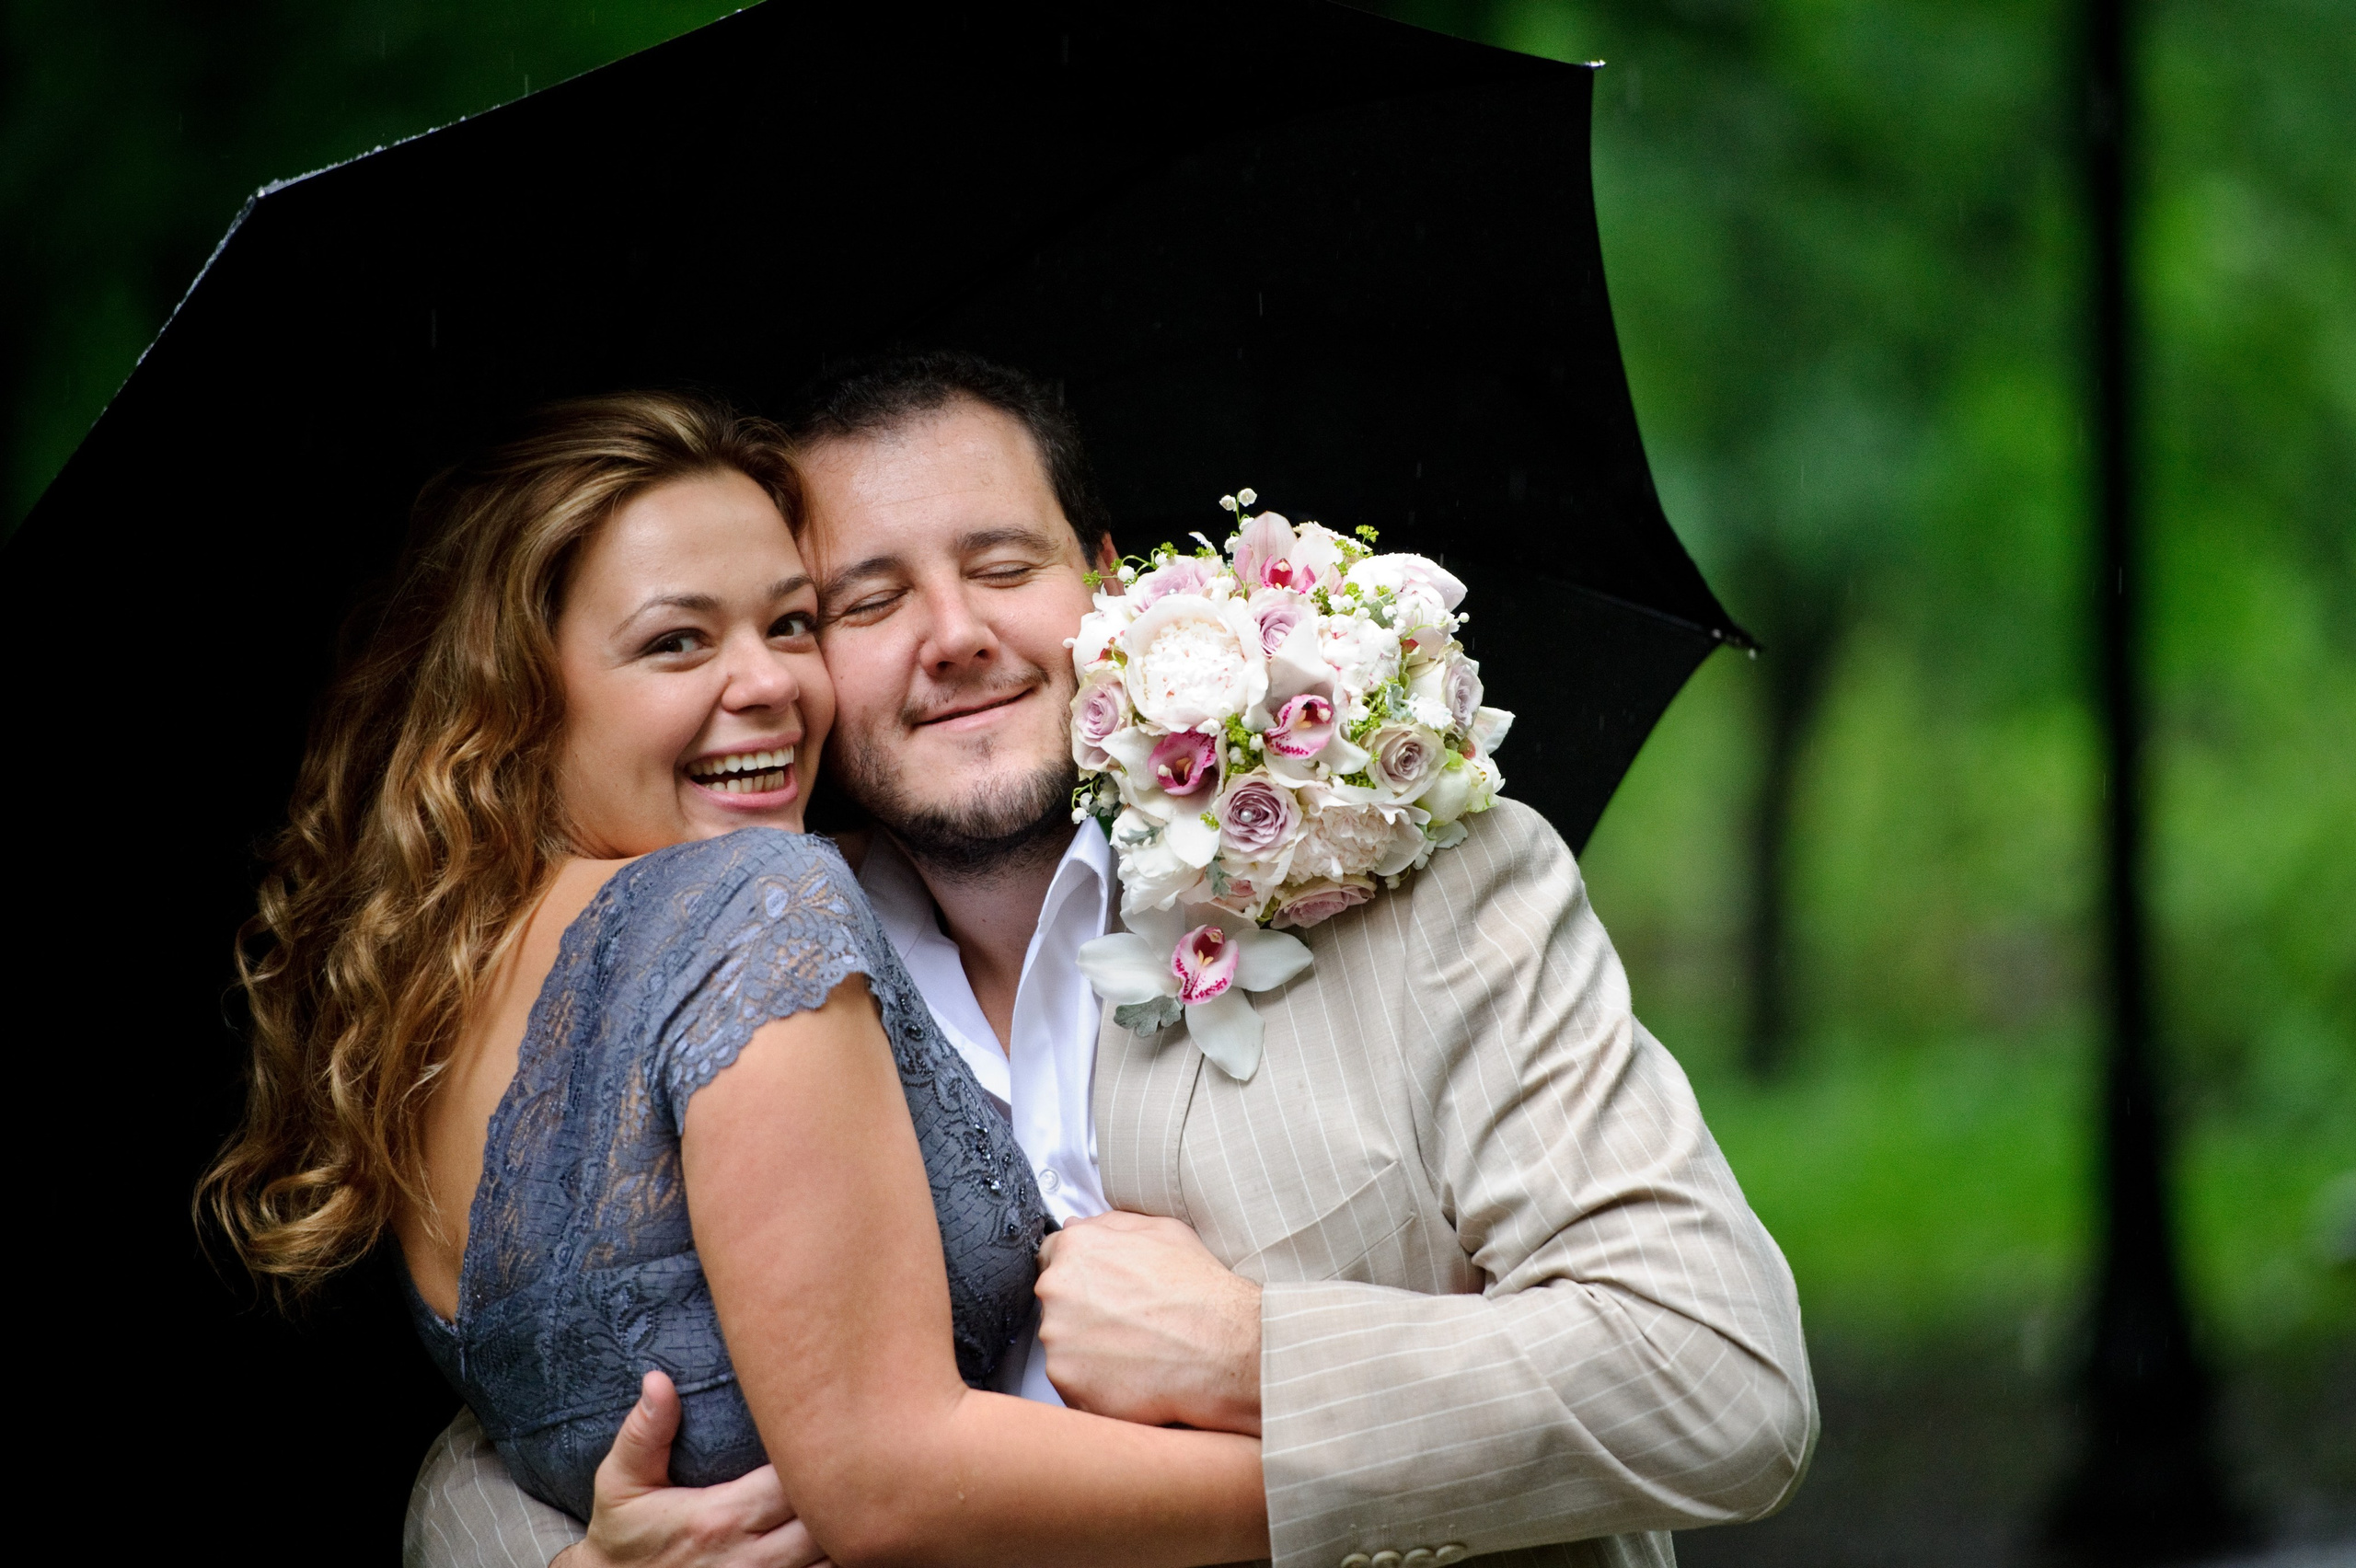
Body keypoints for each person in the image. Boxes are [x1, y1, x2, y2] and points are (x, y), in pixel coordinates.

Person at [411, 355, 1820, 1568]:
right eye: (863, 599)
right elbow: (519, 1411)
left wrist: (1246, 1354)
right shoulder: (752, 975)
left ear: (1103, 582)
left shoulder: (1431, 890)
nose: (954, 637)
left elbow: (1718, 1381)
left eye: (1001, 566)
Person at [200, 392, 1269, 1568]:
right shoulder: (756, 902)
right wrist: (1343, 1480)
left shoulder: (431, 997)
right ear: (522, 693)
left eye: (796, 623)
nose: (770, 686)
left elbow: (530, 1428)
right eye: (677, 641)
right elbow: (891, 1482)